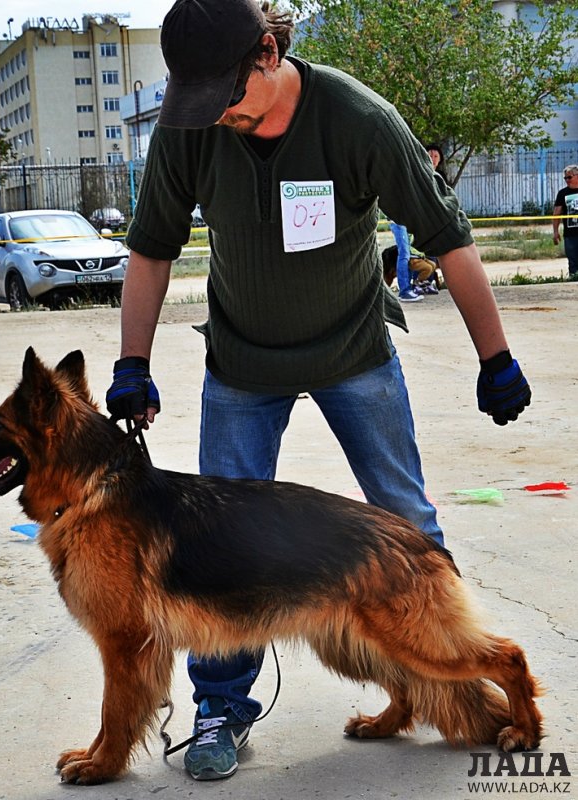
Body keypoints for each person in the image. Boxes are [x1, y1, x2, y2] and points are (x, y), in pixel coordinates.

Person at [105, 0, 531, 782]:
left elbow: (450, 240)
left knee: (404, 520)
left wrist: (494, 355)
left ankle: (452, 684)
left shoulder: (359, 119)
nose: (217, 116)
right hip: (241, 366)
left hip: (354, 353)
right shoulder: (190, 128)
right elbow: (151, 251)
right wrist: (133, 362)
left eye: (227, 96)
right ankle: (221, 711)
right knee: (219, 545)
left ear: (268, 52)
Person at [552, 164, 578, 276]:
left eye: (569, 177)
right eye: (565, 178)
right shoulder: (563, 193)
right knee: (573, 262)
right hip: (570, 234)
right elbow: (557, 213)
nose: (567, 180)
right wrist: (555, 231)